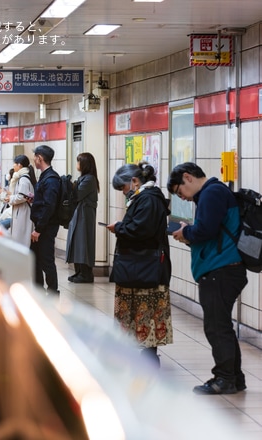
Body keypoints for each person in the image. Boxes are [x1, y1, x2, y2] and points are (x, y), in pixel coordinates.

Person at [168, 162, 247, 394]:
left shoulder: (211, 193)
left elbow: (206, 230)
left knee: (216, 327)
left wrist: (186, 232)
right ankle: (235, 377)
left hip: (220, 270)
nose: (181, 197)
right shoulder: (213, 192)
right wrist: (190, 231)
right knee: (221, 325)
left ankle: (224, 379)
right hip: (223, 269)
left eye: (179, 191)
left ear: (188, 177)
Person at [106, 163, 173, 368]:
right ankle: (135, 350)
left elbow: (140, 230)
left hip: (145, 266)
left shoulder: (149, 199)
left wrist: (119, 227)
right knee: (137, 308)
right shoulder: (144, 197)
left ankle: (149, 354)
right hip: (140, 264)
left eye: (124, 188)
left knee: (146, 308)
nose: (124, 193)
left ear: (134, 181)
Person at [30, 145, 61, 294]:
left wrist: (38, 229)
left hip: (46, 228)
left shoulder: (51, 179)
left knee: (46, 260)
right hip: (42, 226)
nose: (34, 160)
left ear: (40, 158)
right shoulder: (45, 177)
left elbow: (49, 206)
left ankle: (53, 292)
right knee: (34, 258)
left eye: (35, 157)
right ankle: (38, 290)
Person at [66, 152, 100, 283]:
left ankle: (86, 273)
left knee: (83, 242)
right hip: (80, 213)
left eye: (79, 162)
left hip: (85, 215)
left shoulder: (89, 179)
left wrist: (69, 186)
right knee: (76, 242)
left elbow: (77, 195)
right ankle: (79, 271)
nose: (77, 164)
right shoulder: (84, 178)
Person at [5, 155, 36, 247]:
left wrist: (10, 198)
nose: (13, 166)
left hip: (23, 213)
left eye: (14, 164)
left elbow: (22, 196)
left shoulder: (23, 179)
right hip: (20, 212)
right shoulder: (22, 178)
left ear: (19, 165)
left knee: (21, 240)